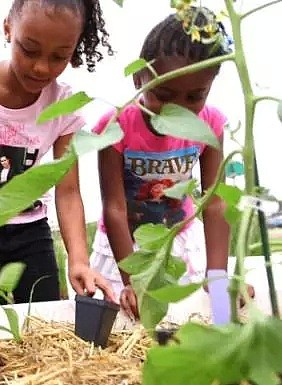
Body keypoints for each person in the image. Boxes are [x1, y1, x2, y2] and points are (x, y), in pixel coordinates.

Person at [0, 0, 116, 304]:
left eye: (59, 56)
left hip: (32, 234)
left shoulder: (64, 104)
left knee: (41, 318)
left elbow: (68, 189)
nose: (42, 67)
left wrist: (79, 260)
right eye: (29, 50)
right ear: (8, 28)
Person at [89, 6, 254, 319]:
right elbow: (114, 208)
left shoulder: (211, 126)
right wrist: (133, 281)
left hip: (178, 240)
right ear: (139, 78)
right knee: (132, 323)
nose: (178, 110)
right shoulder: (115, 127)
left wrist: (217, 278)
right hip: (126, 247)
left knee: (190, 317)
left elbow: (215, 203)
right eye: (163, 94)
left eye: (195, 97)